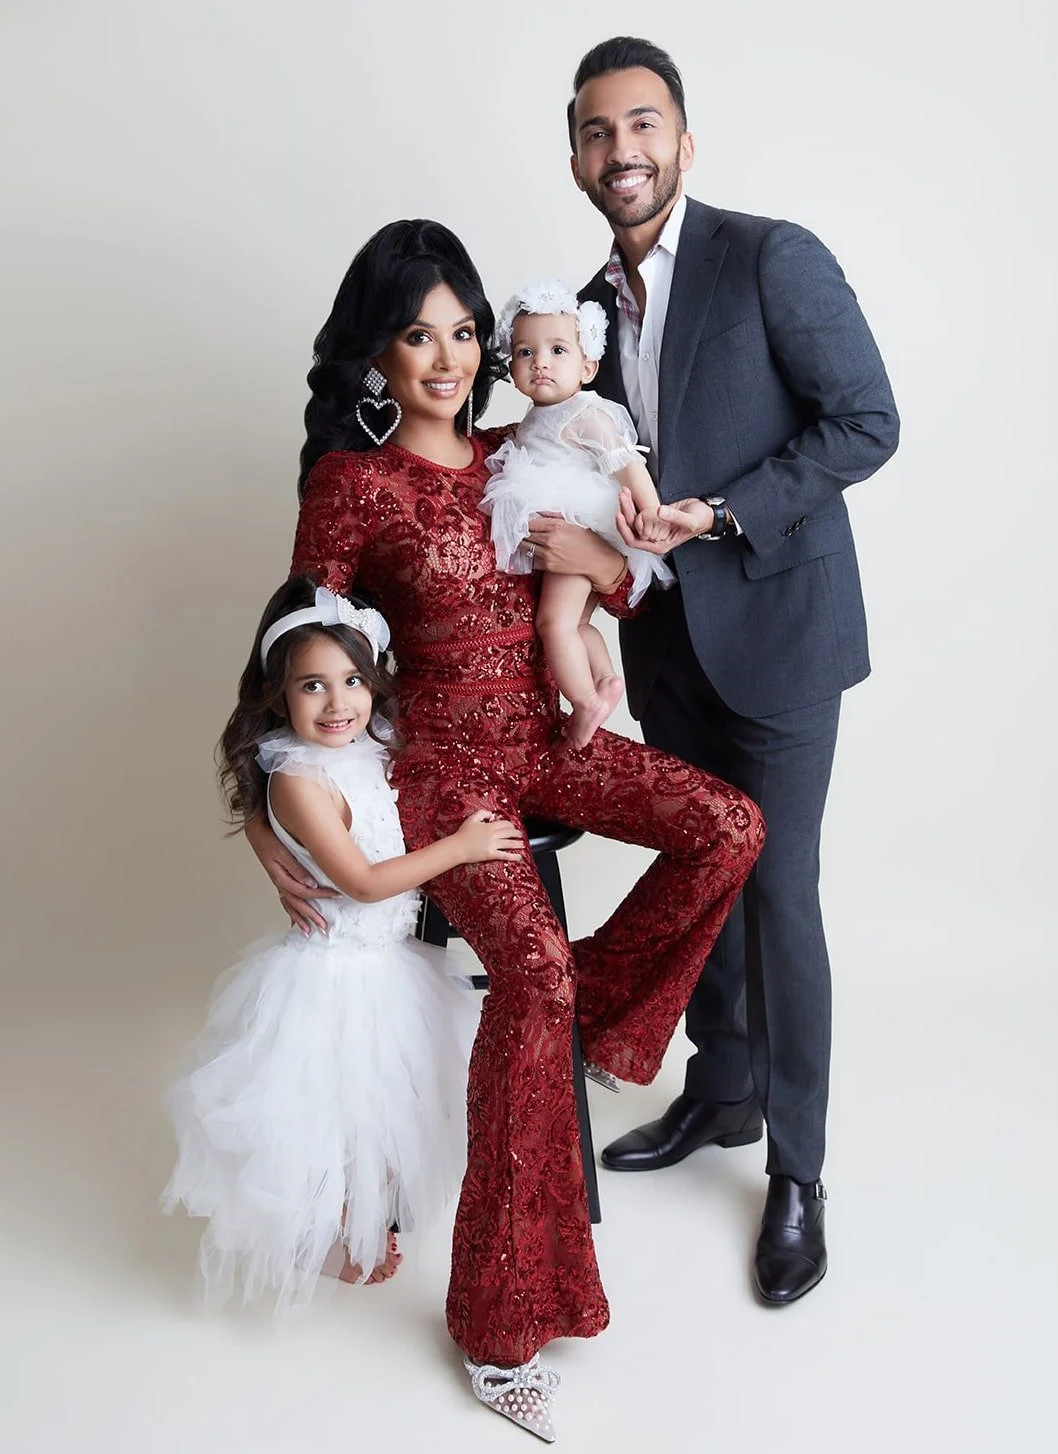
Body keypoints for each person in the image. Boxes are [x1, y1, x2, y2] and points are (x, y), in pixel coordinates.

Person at [246, 219, 764, 1440]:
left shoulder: (523, 441)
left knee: (728, 823)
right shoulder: (349, 485)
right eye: (415, 334)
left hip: (551, 733)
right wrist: (268, 812)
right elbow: (297, 656)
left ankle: (594, 1015)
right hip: (440, 767)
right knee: (526, 983)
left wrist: (606, 560)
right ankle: (495, 1323)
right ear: (374, 354)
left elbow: (622, 570)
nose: (444, 354)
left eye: (462, 330)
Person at [566, 36, 900, 1305]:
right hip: (667, 640)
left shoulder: (769, 255)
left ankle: (800, 1171)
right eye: (598, 133)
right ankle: (720, 1093)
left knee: (779, 892)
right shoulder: (585, 304)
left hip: (776, 629)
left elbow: (865, 419)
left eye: (641, 125)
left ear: (684, 141)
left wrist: (721, 513)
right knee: (701, 865)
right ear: (577, 155)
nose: (623, 151)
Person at [162, 576, 523, 1309]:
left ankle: (371, 1215)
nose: (338, 704)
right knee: (335, 1112)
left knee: (389, 1103)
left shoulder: (372, 741)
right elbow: (360, 880)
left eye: (353, 681)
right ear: (278, 696)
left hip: (388, 965)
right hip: (335, 975)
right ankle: (328, 1235)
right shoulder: (297, 778)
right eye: (313, 687)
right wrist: (460, 848)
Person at [479, 279, 673, 748]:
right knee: (576, 624)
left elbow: (627, 465)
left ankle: (584, 703)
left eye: (558, 350)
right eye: (525, 352)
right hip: (569, 531)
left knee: (553, 624)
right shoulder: (535, 417)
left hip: (582, 527)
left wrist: (652, 515)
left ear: (588, 366)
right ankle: (605, 679)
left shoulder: (586, 413)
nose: (540, 362)